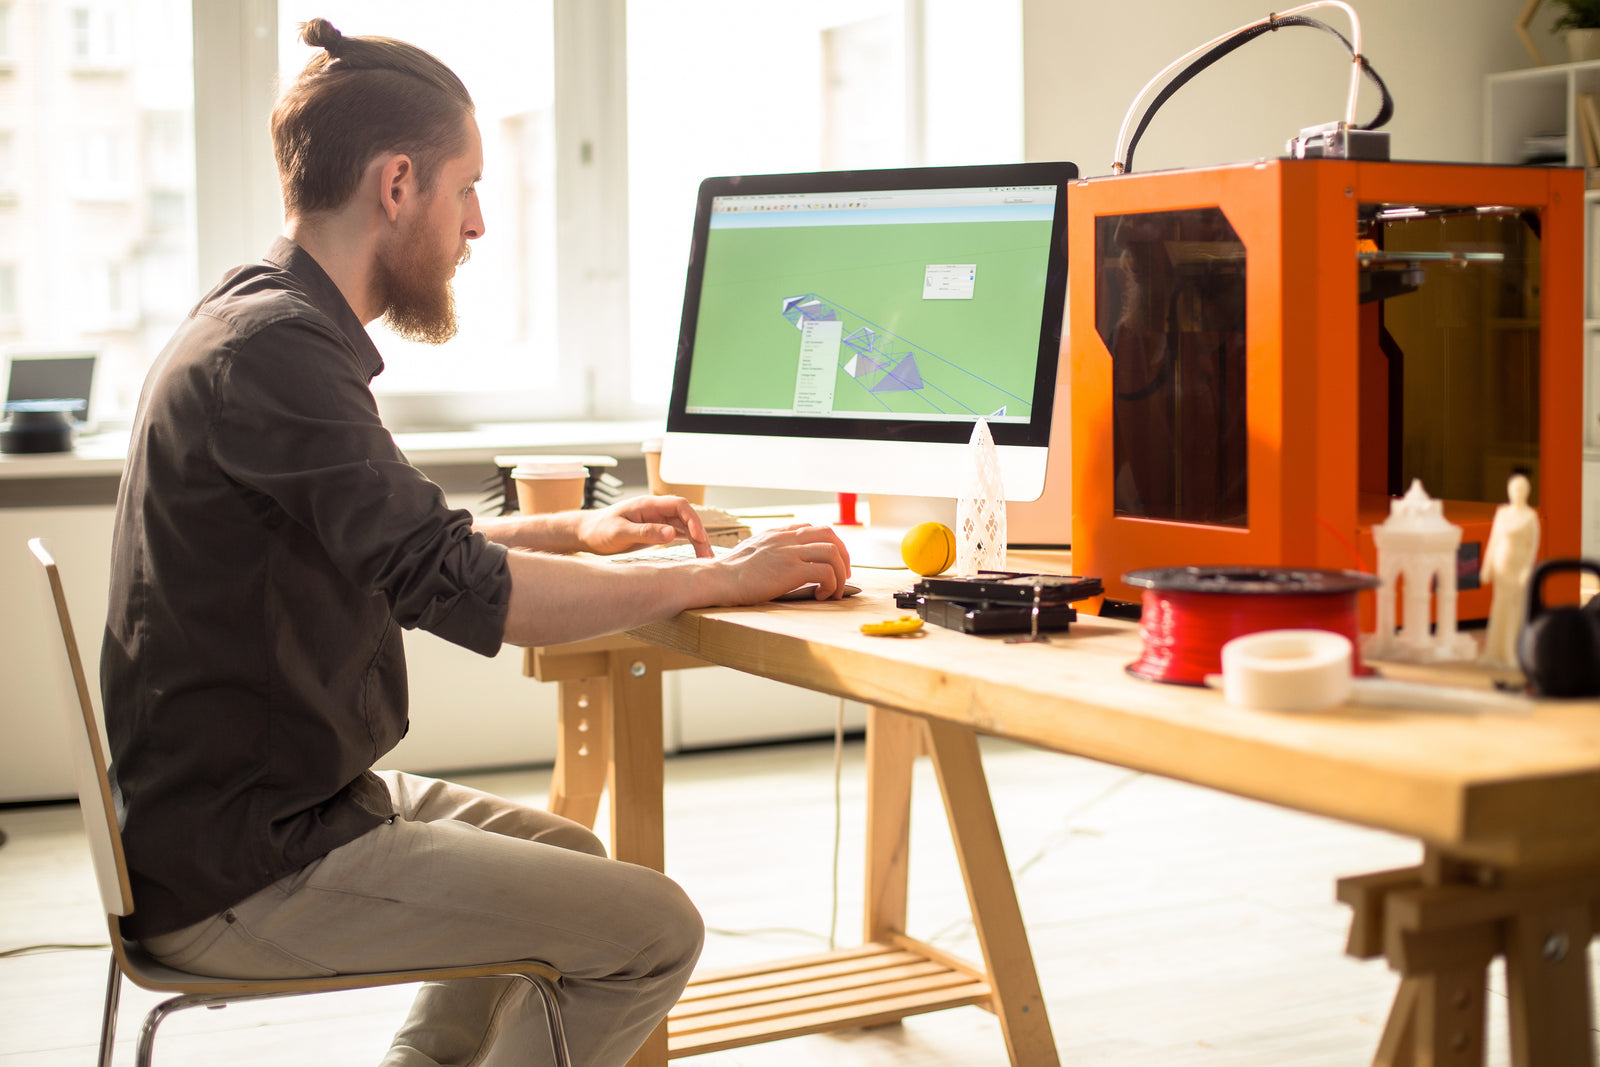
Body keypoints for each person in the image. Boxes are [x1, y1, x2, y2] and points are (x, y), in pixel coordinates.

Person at [99, 18, 850, 1067]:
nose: (481, 222)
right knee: (653, 931)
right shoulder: (278, 352)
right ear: (397, 183)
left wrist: (576, 529)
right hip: (244, 862)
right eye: (468, 189)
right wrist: (718, 575)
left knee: (570, 850)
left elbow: (392, 540)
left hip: (243, 811)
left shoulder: (255, 321)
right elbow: (462, 588)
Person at [1478, 472, 1540, 670]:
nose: (1517, 492)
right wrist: (1487, 566)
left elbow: (1532, 548)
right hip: (1501, 566)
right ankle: (1496, 652)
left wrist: (1526, 571)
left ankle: (1513, 652)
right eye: (1514, 489)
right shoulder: (1502, 513)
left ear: (1527, 492)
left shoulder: (1530, 517)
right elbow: (1494, 541)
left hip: (1518, 566)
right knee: (1499, 608)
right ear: (1509, 491)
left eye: (1521, 489)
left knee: (1516, 609)